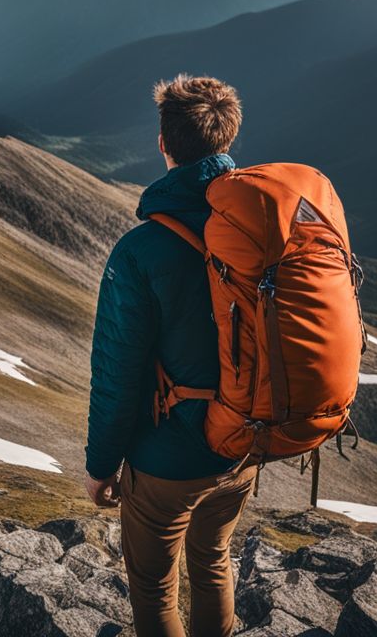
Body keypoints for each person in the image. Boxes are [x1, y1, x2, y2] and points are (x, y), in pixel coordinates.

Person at [84, 74, 257, 637]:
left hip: (168, 460)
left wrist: (100, 467)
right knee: (213, 561)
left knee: (156, 588)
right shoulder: (260, 229)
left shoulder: (140, 252)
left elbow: (118, 370)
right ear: (228, 140)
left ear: (163, 144)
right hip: (242, 445)